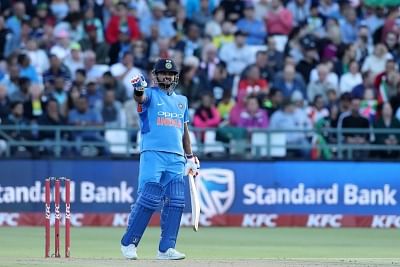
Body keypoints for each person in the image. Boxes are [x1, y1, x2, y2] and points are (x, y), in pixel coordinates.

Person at [120, 58, 200, 260]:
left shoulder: (182, 100)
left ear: (176, 77)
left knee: (176, 201)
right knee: (148, 199)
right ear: (156, 76)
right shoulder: (151, 95)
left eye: (171, 74)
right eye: (163, 73)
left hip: (176, 158)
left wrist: (189, 157)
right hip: (153, 153)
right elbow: (140, 98)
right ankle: (129, 243)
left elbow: (184, 131)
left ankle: (166, 249)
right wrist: (138, 88)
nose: (168, 76)